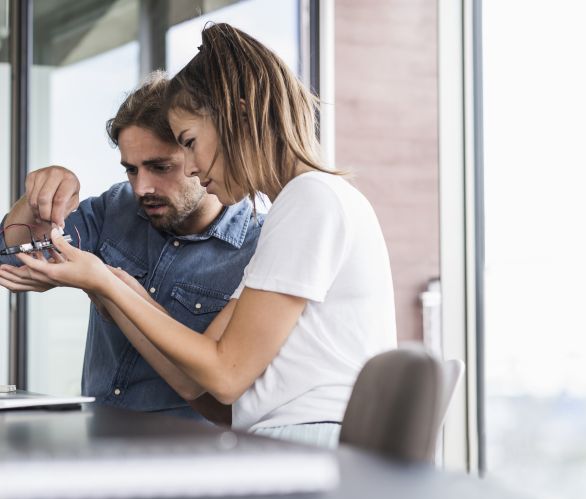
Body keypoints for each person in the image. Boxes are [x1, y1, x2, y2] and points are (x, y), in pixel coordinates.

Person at [13, 23, 397, 448]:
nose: (192, 166)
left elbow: (226, 377)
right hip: (277, 443)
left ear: (240, 114)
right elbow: (197, 384)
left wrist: (103, 280)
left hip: (304, 446)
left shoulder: (310, 200)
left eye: (190, 142)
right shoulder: (297, 210)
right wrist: (112, 286)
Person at [0, 71, 262, 423]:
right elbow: (16, 262)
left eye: (159, 167)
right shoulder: (116, 207)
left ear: (199, 151)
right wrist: (37, 202)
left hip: (191, 456)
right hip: (95, 436)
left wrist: (106, 288)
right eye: (131, 170)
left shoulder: (257, 249)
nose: (141, 188)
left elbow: (223, 392)